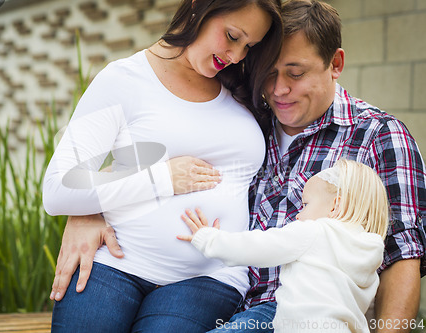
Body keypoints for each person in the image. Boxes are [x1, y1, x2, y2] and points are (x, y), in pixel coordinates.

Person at [49, 1, 426, 332]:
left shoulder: (375, 134)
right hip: (183, 283)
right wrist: (87, 211)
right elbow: (74, 172)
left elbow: (403, 254)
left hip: (275, 303)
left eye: (295, 74)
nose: (279, 90)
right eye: (269, 73)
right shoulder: (252, 110)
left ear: (336, 64)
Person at [42, 0, 283, 331]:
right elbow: (59, 189)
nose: (237, 55)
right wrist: (161, 179)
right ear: (200, 6)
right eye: (231, 35)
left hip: (209, 277)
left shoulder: (245, 88)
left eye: (249, 46)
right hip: (115, 264)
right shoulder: (123, 79)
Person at [178, 159, 390, 333]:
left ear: (335, 206)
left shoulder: (315, 232)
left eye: (306, 204)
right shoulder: (371, 254)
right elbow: (368, 310)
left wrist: (207, 238)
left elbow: (258, 247)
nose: (299, 214)